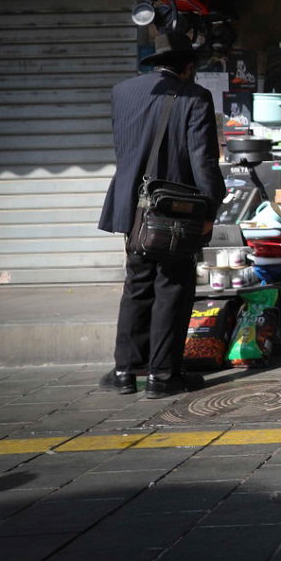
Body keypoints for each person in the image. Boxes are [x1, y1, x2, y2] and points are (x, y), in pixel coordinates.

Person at [96, 30, 224, 399]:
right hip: (174, 212)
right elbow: (203, 161)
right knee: (172, 287)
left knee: (136, 285)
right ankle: (162, 375)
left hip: (132, 209)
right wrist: (210, 208)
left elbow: (127, 149)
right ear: (188, 67)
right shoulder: (195, 98)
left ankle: (125, 370)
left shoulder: (121, 93)